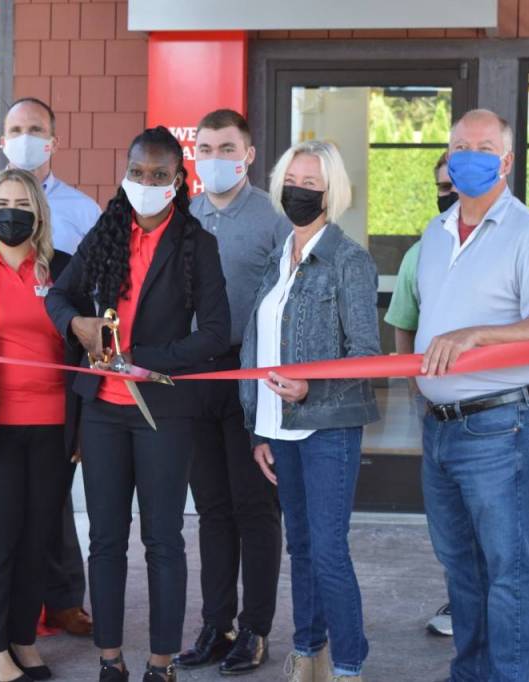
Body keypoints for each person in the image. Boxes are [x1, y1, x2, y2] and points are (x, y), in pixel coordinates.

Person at [45, 126, 229, 682]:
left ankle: (161, 661)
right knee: (104, 539)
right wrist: (75, 324)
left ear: (178, 180)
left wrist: (147, 359)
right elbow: (58, 296)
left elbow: (217, 334)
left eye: (159, 175)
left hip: (162, 413)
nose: (146, 184)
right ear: (124, 175)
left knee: (163, 539)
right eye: (137, 173)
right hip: (101, 410)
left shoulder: (198, 244)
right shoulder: (108, 232)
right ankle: (109, 658)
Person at [415, 109, 529, 682]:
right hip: (438, 428)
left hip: (500, 427)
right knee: (461, 570)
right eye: (460, 145)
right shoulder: (434, 235)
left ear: (506, 161)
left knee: (509, 570)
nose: (469, 155)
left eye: (484, 147)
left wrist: (477, 333)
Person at [0, 96, 100, 647]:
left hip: (54, 418)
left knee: (43, 529)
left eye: (36, 129)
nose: (13, 211)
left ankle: (45, 617)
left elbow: (88, 330)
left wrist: (81, 420)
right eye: (15, 128)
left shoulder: (76, 230)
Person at [239, 139, 380, 682]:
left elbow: (365, 356)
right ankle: (308, 653)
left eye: (311, 184)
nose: (299, 191)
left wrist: (311, 389)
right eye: (291, 182)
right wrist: (259, 429)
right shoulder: (280, 257)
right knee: (299, 547)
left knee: (327, 550)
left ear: (331, 192)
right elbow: (260, 347)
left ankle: (348, 664)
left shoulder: (350, 260)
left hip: (328, 429)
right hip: (280, 429)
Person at [174, 109, 286, 675]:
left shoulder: (274, 218)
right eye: (207, 148)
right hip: (195, 380)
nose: (215, 158)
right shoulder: (181, 215)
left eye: (227, 148)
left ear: (248, 154)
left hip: (251, 378)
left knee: (255, 507)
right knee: (212, 510)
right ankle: (216, 623)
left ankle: (256, 629)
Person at [383, 151, 456, 638]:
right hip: (439, 413)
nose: (447, 194)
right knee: (449, 521)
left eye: (455, 183)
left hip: (500, 413)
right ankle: (459, 599)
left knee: (497, 522)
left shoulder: (520, 240)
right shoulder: (422, 251)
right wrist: (418, 392)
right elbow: (402, 327)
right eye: (441, 186)